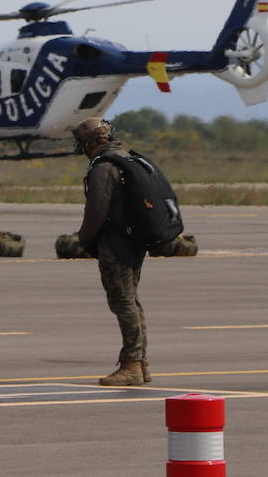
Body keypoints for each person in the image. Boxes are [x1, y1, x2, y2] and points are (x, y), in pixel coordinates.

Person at [74, 116, 150, 387]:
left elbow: (96, 210)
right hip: (134, 240)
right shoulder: (126, 158)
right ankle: (139, 363)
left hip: (116, 243)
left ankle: (131, 365)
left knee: (122, 302)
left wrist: (83, 239)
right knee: (131, 300)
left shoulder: (103, 167)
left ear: (90, 142)